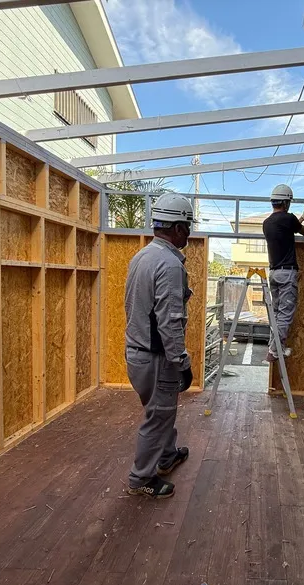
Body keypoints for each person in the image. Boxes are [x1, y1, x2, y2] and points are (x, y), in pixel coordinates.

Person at [124, 193, 196, 499]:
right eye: (188, 227)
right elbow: (169, 321)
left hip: (137, 354)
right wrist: (182, 362)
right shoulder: (169, 264)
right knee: (158, 416)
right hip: (157, 357)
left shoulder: (142, 256)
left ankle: (167, 456)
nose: (189, 233)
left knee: (160, 411)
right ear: (178, 227)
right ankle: (141, 479)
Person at [262, 184, 304, 363]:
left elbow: (292, 225)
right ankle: (274, 350)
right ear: (286, 203)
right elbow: (303, 230)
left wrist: (303, 217)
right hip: (287, 273)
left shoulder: (267, 223)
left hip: (274, 273)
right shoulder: (288, 218)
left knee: (277, 313)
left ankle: (273, 346)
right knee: (285, 314)